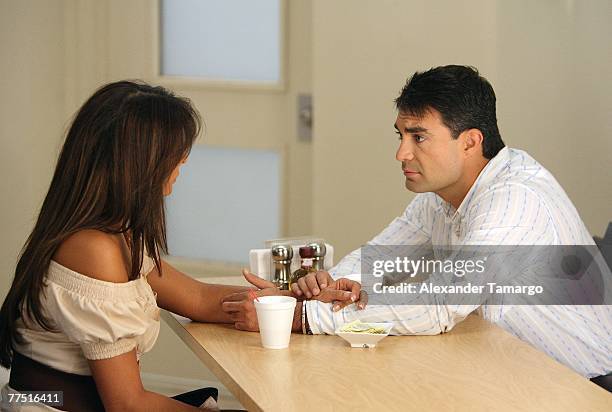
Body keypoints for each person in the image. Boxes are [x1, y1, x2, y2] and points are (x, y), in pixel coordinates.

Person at [242, 66, 612, 390]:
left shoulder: (515, 200)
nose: (401, 154)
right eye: (400, 136)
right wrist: (326, 286)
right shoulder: (440, 197)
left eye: (418, 137)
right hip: (508, 369)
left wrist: (302, 317)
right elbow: (380, 262)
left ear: (470, 142)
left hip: (584, 385)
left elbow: (439, 304)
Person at [0, 81, 357, 411]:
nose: (180, 170)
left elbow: (198, 298)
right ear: (141, 165)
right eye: (178, 160)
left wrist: (290, 301)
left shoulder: (113, 232)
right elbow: (128, 405)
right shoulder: (95, 250)